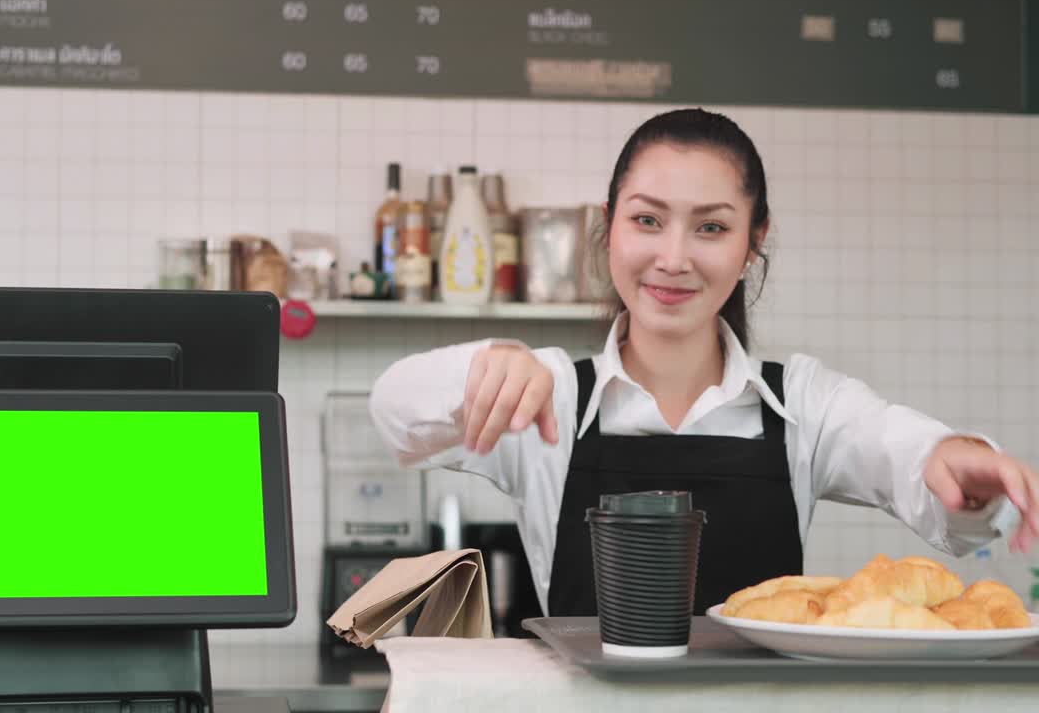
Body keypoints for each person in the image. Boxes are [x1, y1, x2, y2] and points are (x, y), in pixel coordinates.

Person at [368, 108, 1039, 618]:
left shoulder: (802, 404)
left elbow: (910, 458)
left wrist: (958, 463)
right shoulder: (550, 401)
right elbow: (393, 413)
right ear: (611, 226)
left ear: (754, 240)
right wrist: (491, 363)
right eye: (648, 221)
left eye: (711, 227)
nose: (674, 258)